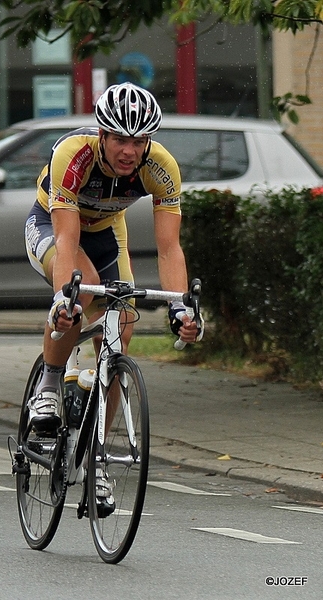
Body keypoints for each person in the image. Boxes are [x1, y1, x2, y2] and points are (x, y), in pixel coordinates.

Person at [25, 82, 200, 513]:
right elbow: (67, 240)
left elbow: (168, 247)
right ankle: (48, 384)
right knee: (79, 298)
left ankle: (95, 454)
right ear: (102, 135)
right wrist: (64, 300)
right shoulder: (74, 154)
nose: (129, 150)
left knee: (123, 321)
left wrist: (181, 306)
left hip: (107, 233)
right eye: (120, 139)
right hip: (53, 227)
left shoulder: (160, 167)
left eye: (139, 141)